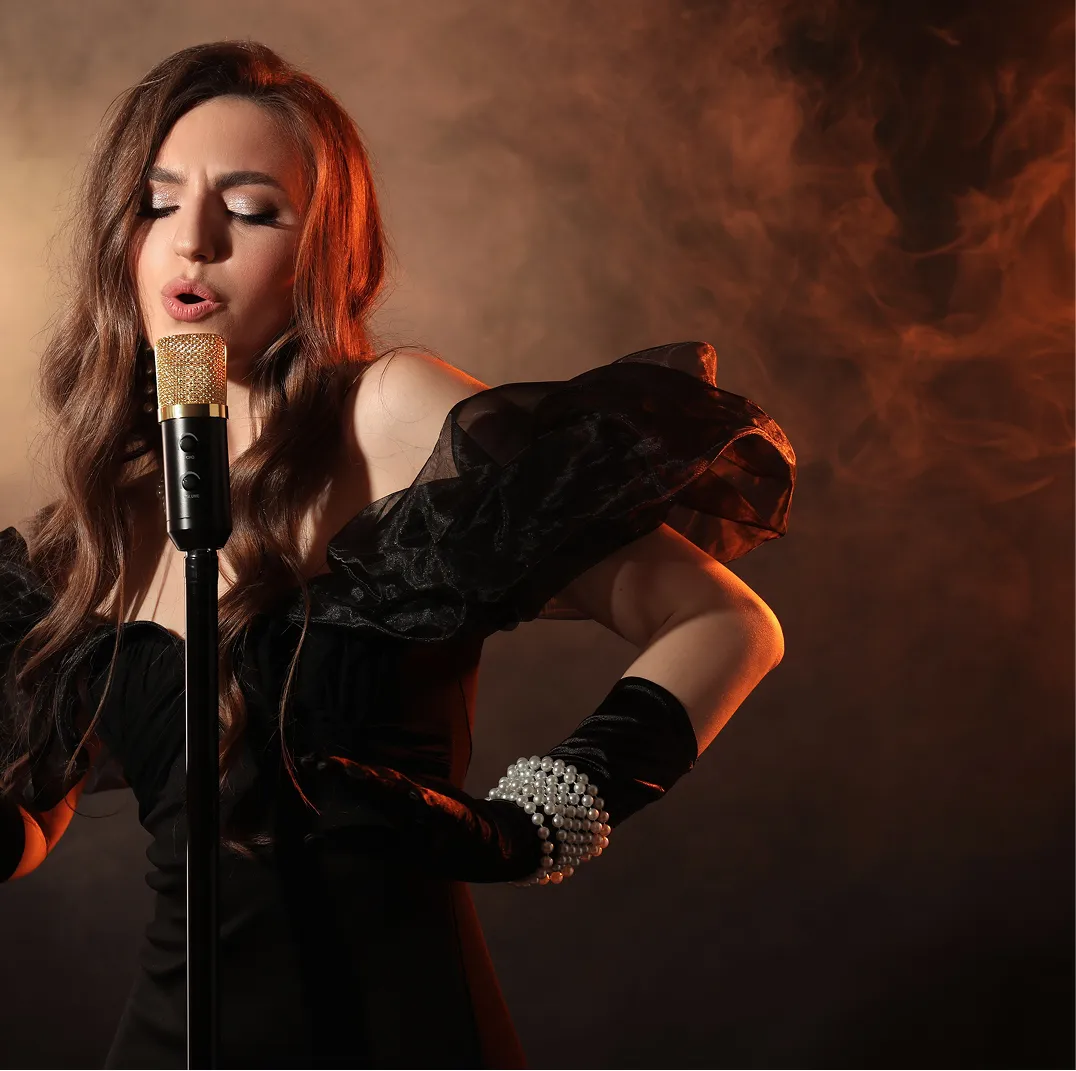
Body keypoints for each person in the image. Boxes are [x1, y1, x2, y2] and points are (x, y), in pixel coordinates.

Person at [0, 40, 796, 1069]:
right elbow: (32, 821)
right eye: (158, 205)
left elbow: (725, 622)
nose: (192, 242)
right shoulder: (101, 517)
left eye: (248, 211)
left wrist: (531, 824)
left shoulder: (390, 409)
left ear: (324, 249)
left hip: (396, 1037)